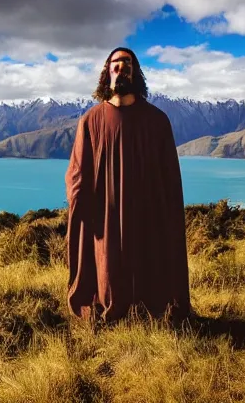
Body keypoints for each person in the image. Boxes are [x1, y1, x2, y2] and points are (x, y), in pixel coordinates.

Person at [64, 47, 191, 325]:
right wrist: (80, 201)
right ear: (107, 72)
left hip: (147, 209)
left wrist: (166, 211)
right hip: (104, 212)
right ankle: (112, 309)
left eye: (128, 64)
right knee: (108, 264)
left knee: (148, 260)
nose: (122, 68)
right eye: (116, 64)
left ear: (135, 73)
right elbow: (77, 169)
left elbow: (169, 172)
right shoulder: (91, 120)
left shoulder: (157, 121)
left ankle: (150, 312)